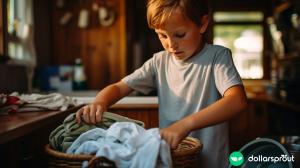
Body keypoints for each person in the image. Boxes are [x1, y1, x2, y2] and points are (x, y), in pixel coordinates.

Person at [76, 0, 248, 167]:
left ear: (202, 24)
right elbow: (120, 87)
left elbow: (237, 100)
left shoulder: (218, 57)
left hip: (213, 162)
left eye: (180, 35)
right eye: (162, 35)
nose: (171, 44)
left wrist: (185, 124)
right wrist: (100, 101)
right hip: (173, 160)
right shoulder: (159, 62)